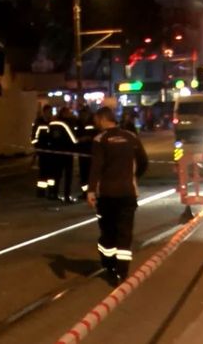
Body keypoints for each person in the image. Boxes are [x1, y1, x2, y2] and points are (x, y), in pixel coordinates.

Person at [86, 107, 149, 285]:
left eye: (97, 120)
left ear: (103, 119)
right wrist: (133, 177)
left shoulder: (100, 140)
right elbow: (144, 162)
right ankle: (123, 272)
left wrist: (91, 191)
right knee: (125, 233)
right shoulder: (131, 137)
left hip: (107, 194)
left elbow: (96, 167)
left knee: (108, 231)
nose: (95, 123)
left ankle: (109, 266)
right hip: (128, 193)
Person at [49, 107, 79, 203]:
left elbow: (49, 137)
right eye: (69, 112)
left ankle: (54, 193)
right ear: (65, 113)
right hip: (66, 152)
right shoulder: (66, 123)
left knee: (56, 175)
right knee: (68, 175)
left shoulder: (53, 123)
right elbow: (73, 139)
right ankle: (66, 196)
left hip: (55, 152)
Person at [32, 104, 55, 198]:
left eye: (51, 112)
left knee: (52, 173)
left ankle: (51, 191)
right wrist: (38, 147)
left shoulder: (53, 123)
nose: (50, 114)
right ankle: (41, 192)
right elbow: (34, 137)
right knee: (43, 172)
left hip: (52, 152)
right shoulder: (39, 123)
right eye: (48, 112)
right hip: (43, 152)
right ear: (44, 112)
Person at [76, 106, 98, 199]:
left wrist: (89, 138)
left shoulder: (93, 123)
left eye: (84, 113)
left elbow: (97, 135)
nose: (83, 115)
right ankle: (85, 192)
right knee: (83, 174)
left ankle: (92, 192)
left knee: (91, 173)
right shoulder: (79, 123)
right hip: (82, 152)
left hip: (90, 152)